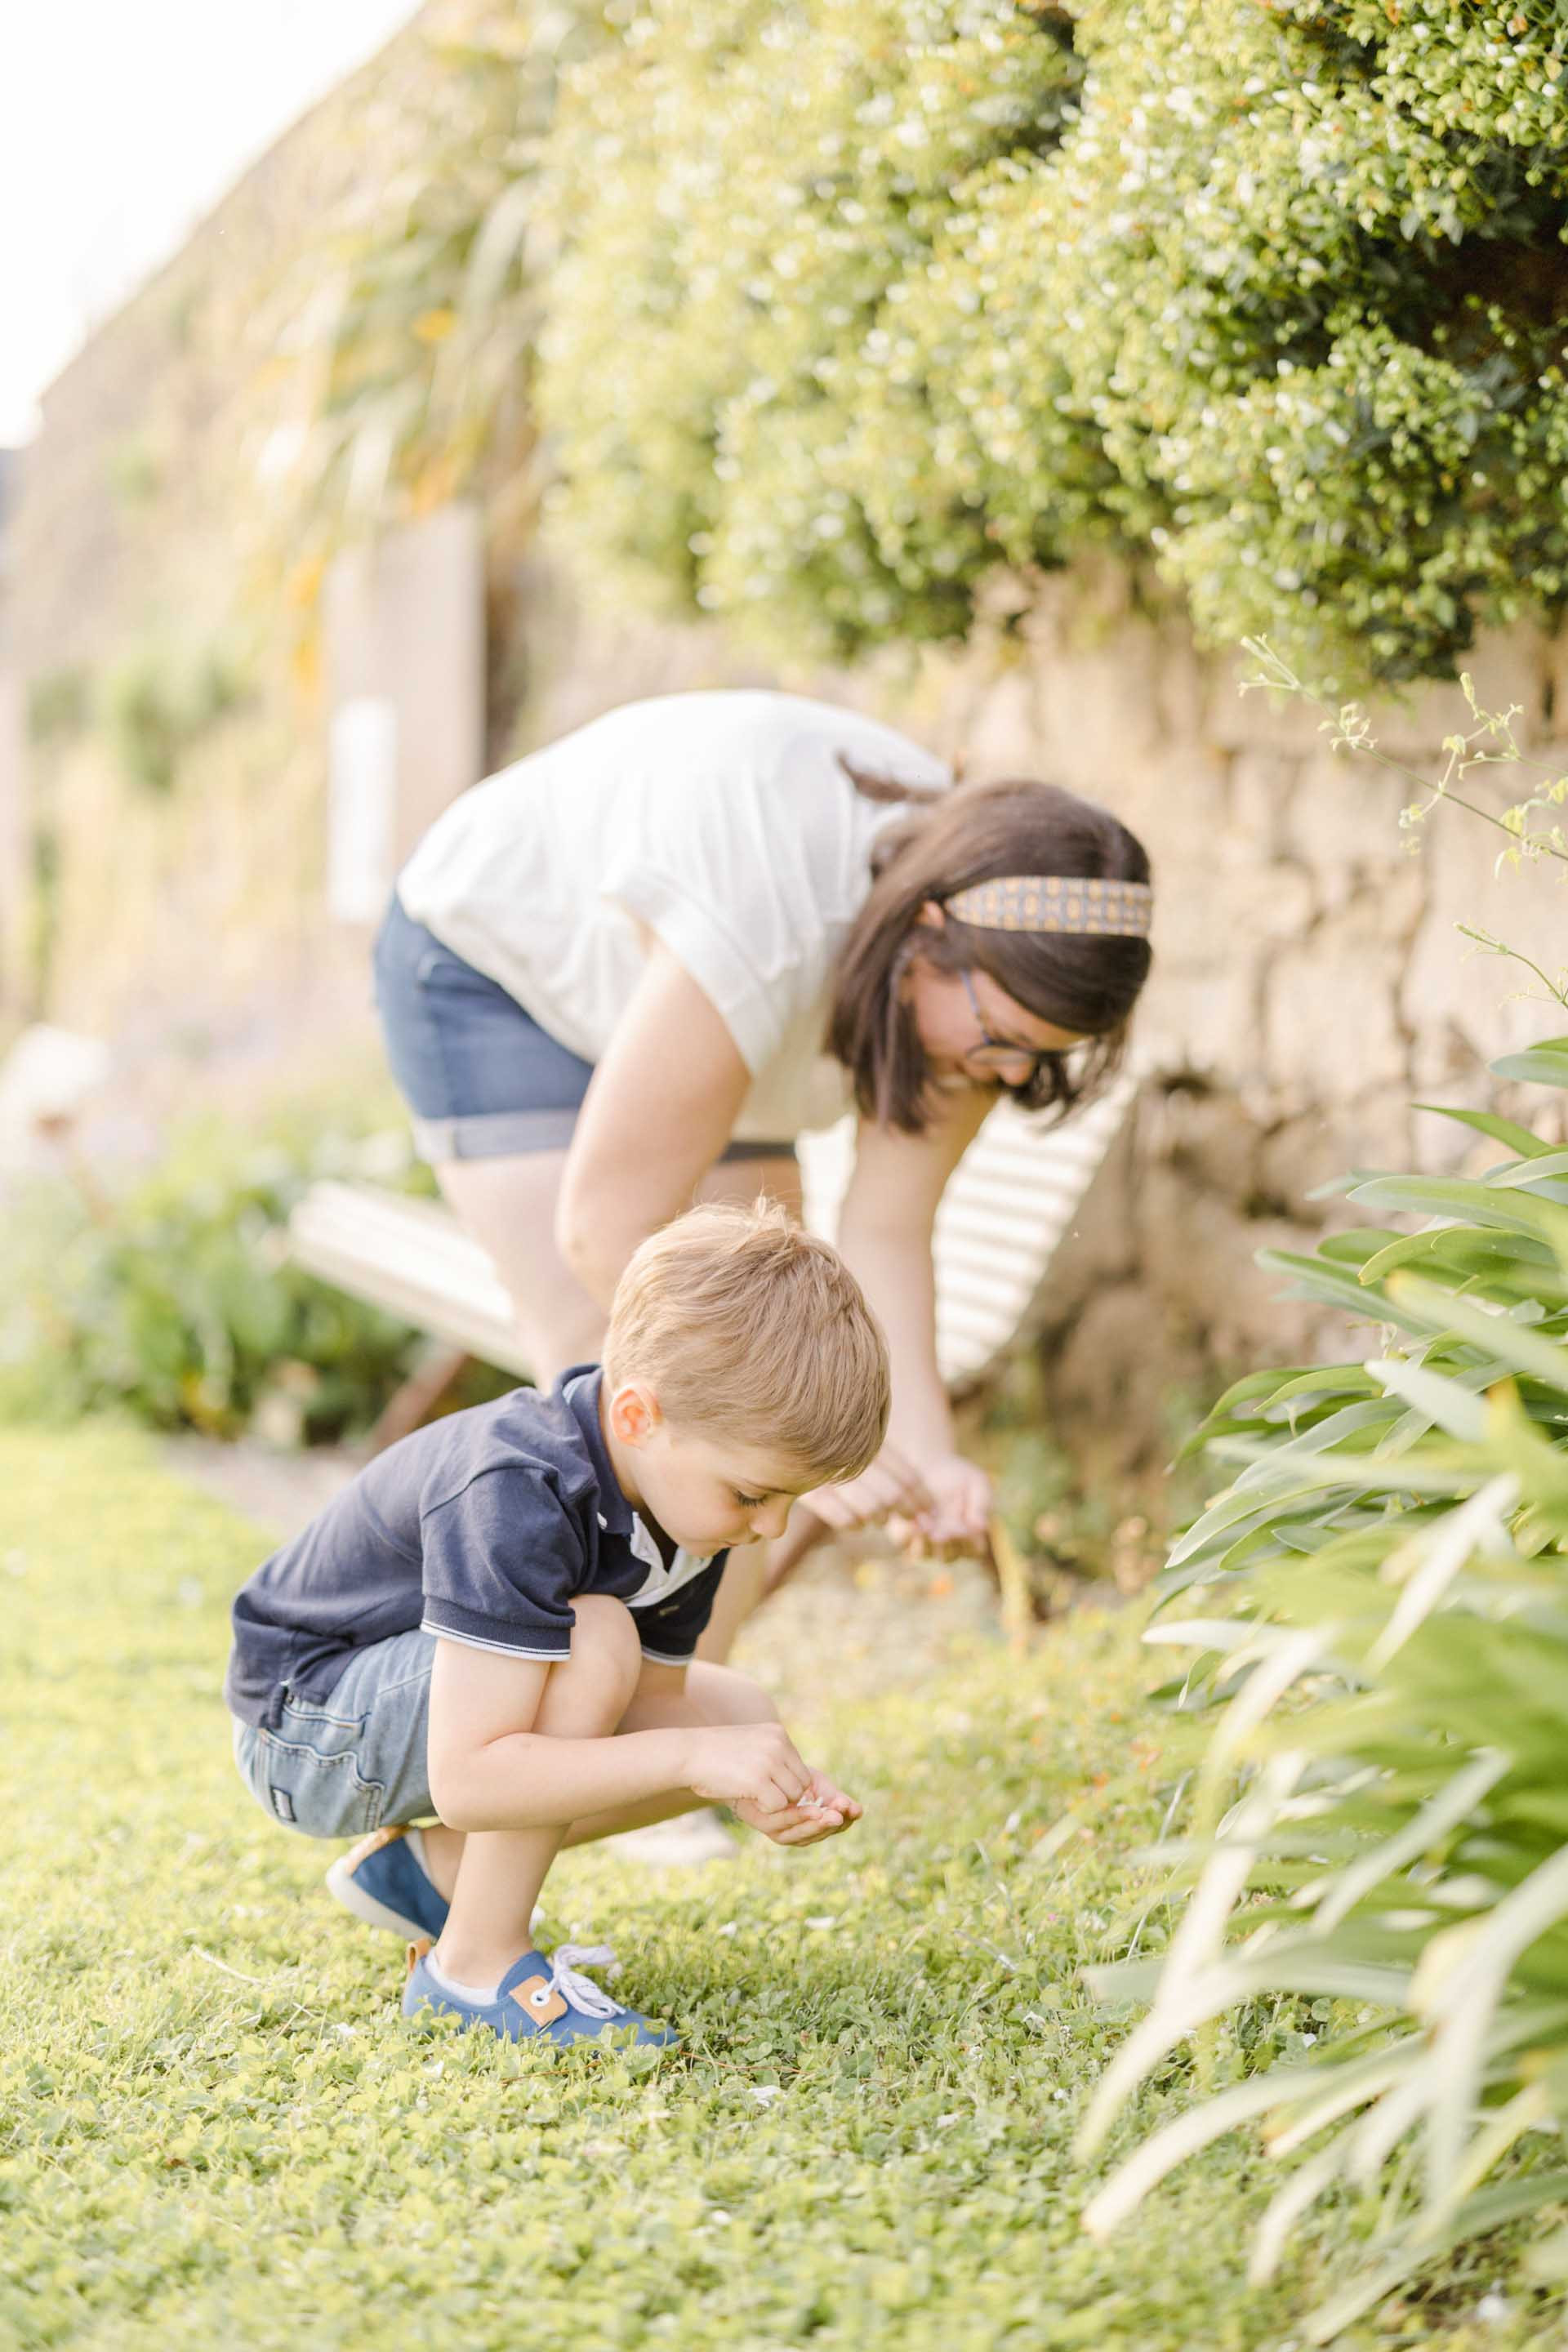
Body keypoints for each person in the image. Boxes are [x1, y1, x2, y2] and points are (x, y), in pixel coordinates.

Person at [375, 688, 1154, 1644]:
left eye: (1047, 1055)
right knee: (631, 1370)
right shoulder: (770, 915)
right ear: (928, 931)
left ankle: (675, 1720)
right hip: (499, 971)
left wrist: (927, 1452)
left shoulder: (996, 983)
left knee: (768, 1382)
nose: (1014, 1073)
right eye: (1006, 1038)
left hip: (704, 1011)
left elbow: (886, 1230)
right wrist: (774, 1402)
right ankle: (541, 1732)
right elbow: (604, 1229)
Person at [225, 1202, 889, 2047]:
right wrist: (692, 1760)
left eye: (792, 1501)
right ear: (641, 1417)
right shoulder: (517, 1485)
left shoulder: (687, 1501)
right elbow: (470, 1779)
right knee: (597, 1638)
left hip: (423, 1708)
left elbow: (647, 1704)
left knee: (737, 1716)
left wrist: (751, 1771)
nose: (772, 1529)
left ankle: (436, 1875)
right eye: (755, 1494)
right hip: (308, 1728)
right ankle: (471, 1968)